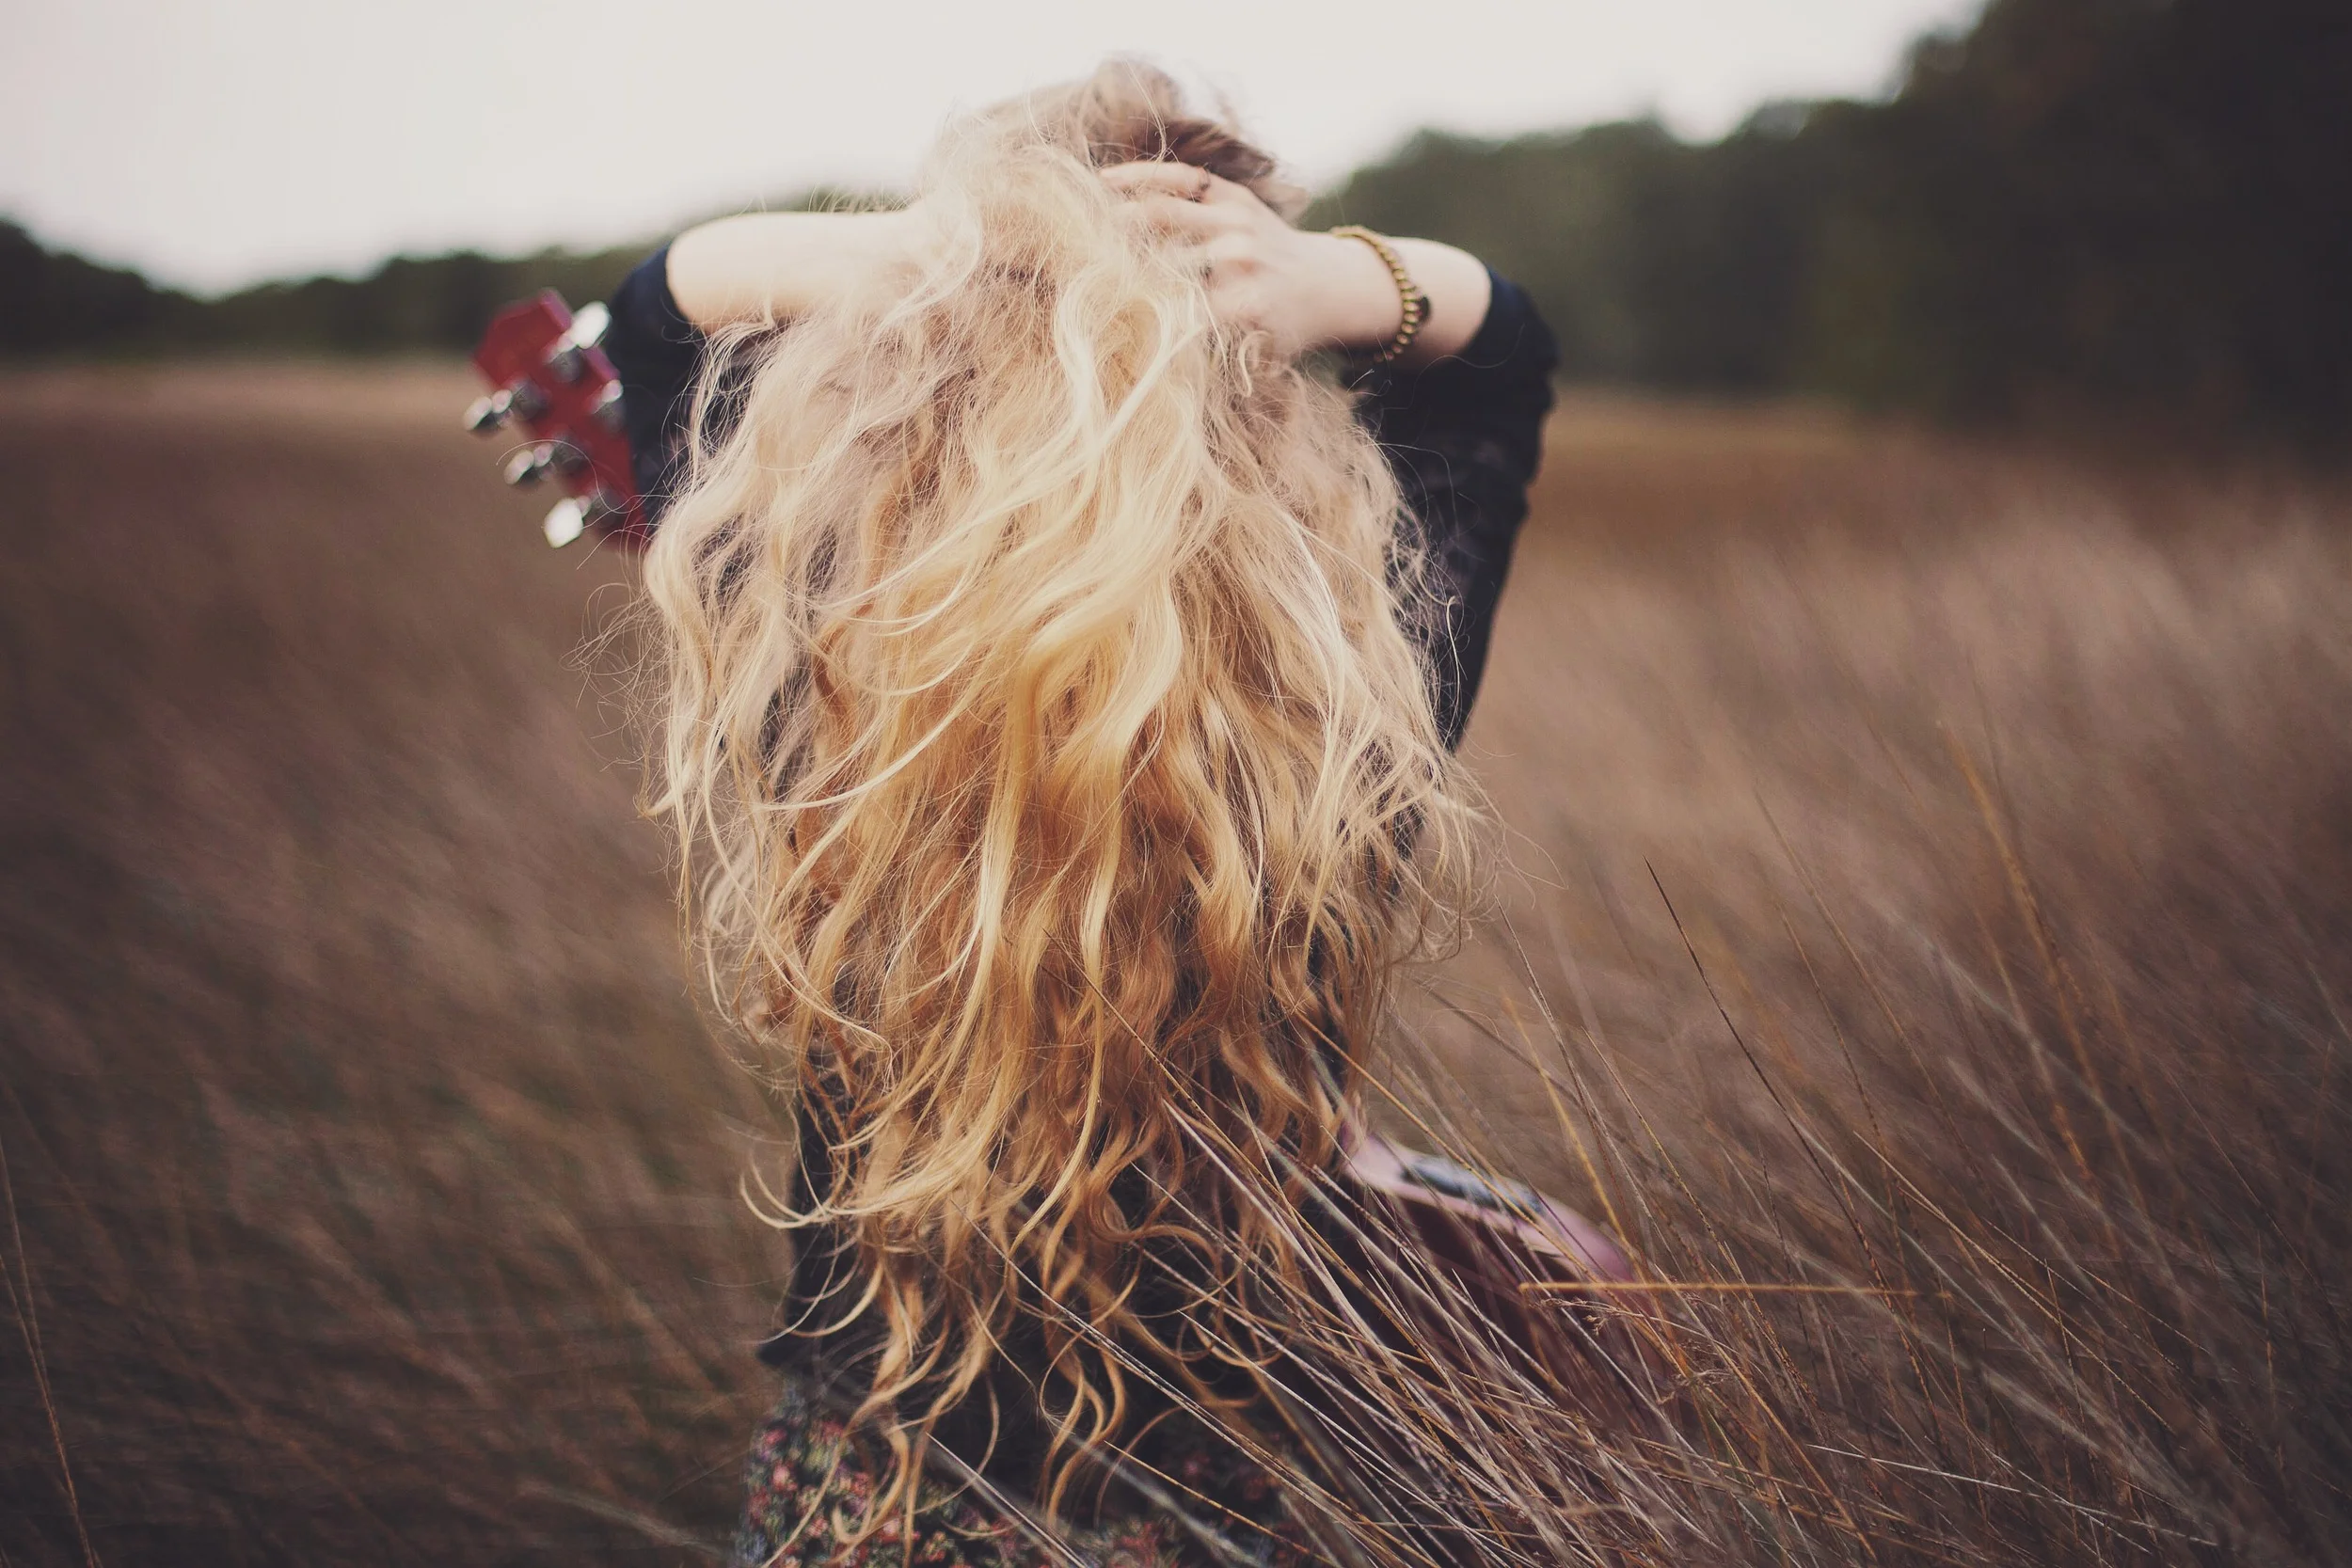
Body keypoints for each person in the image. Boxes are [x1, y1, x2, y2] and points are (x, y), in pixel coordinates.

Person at [601, 62, 1560, 1568]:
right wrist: (1342, 280)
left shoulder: (834, 632)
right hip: (1236, 1472)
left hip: (888, 1471)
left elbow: (653, 319)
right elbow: (1505, 355)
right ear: (1270, 354)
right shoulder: (1355, 661)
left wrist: (937, 256)